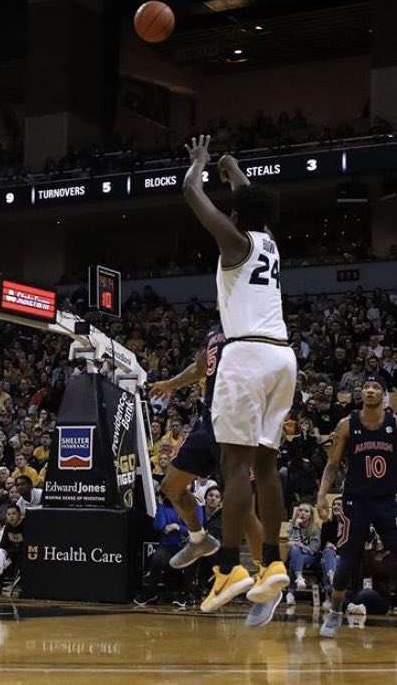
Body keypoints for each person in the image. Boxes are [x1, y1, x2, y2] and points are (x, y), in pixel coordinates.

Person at [182, 135, 297, 626]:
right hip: (283, 358)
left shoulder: (235, 241)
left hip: (246, 353)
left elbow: (192, 193)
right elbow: (253, 205)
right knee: (265, 465)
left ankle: (229, 568)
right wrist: (237, 170)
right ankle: (272, 561)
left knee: (234, 465)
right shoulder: (268, 241)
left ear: (238, 214)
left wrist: (202, 165)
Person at [150, 323, 262, 577]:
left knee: (243, 510)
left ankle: (266, 575)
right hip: (209, 419)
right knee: (171, 486)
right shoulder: (214, 330)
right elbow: (202, 367)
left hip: (236, 424)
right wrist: (172, 383)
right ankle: (199, 538)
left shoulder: (253, 326)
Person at [316, 374, 397, 637]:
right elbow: (332, 465)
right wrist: (321, 496)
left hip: (387, 500)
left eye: (376, 388)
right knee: (347, 560)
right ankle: (336, 611)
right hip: (355, 501)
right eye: (366, 387)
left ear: (384, 396)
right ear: (360, 393)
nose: (370, 391)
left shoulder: (394, 424)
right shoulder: (346, 424)